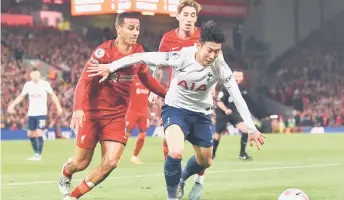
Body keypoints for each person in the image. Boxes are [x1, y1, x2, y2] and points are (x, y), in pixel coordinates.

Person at [87, 20, 265, 200]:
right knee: (175, 152)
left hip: (201, 113)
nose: (213, 55)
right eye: (209, 50)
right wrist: (110, 67)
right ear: (198, 45)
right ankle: (172, 197)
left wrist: (251, 127)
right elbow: (140, 57)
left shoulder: (220, 66)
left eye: (217, 51)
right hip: (175, 109)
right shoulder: (180, 56)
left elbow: (237, 96)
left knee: (206, 161)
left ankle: (182, 179)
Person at [58, 12, 167, 200]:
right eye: (131, 28)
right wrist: (78, 108)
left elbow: (147, 79)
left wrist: (167, 94)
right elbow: (83, 81)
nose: (135, 33)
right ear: (119, 29)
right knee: (81, 163)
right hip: (93, 115)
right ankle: (66, 173)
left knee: (110, 162)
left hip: (117, 117)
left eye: (138, 29)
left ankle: (72, 197)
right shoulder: (103, 52)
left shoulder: (138, 52)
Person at [148, 1, 205, 197]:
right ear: (178, 16)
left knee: (203, 154)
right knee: (172, 145)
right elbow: (159, 66)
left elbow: (214, 61)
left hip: (199, 98)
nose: (189, 19)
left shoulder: (202, 37)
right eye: (185, 15)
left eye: (192, 16)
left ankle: (196, 179)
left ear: (196, 19)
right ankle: (173, 183)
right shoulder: (168, 38)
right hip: (176, 98)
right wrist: (154, 89)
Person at [7, 68, 63, 161]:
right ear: (30, 75)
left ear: (39, 75)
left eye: (37, 74)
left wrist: (59, 107)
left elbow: (53, 96)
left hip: (41, 113)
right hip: (31, 113)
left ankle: (38, 154)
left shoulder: (45, 84)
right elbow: (21, 96)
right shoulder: (28, 85)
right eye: (33, 75)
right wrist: (12, 105)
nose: (35, 76)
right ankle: (36, 153)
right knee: (30, 134)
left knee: (39, 132)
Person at [213, 70, 253, 160]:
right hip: (222, 113)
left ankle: (242, 154)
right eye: (236, 76)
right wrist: (226, 109)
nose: (238, 78)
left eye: (240, 76)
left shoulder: (240, 88)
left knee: (246, 129)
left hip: (233, 113)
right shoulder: (225, 86)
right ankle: (212, 154)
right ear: (232, 76)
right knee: (218, 135)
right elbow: (218, 101)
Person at [127, 75, 150, 164]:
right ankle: (117, 155)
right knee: (126, 134)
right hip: (132, 112)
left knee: (142, 135)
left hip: (143, 113)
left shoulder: (147, 81)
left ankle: (135, 157)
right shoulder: (132, 79)